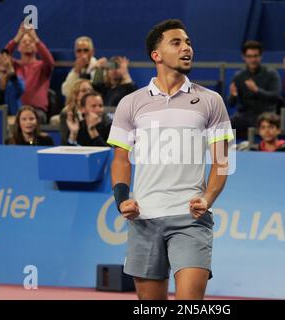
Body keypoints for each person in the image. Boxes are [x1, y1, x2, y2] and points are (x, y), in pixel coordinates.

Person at [107, 19, 233, 300]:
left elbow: (222, 160)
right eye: (176, 42)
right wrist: (121, 198)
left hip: (191, 218)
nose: (187, 48)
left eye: (188, 42)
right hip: (143, 219)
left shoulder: (211, 101)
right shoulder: (130, 103)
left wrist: (208, 199)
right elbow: (120, 160)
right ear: (157, 55)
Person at [228, 40, 281, 139]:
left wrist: (257, 90)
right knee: (226, 125)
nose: (253, 60)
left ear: (261, 56)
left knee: (268, 123)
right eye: (249, 56)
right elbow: (231, 103)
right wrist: (233, 95)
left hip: (266, 114)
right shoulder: (239, 76)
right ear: (244, 57)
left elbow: (275, 97)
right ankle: (228, 153)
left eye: (256, 56)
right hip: (245, 115)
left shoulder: (271, 74)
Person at [5, 23, 55, 123]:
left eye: (30, 41)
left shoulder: (42, 67)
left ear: (36, 47)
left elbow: (50, 62)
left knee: (27, 120)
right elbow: (1, 58)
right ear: (18, 47)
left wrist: (36, 38)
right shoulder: (13, 66)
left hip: (37, 112)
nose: (27, 43)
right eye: (24, 42)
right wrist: (16, 38)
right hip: (16, 111)